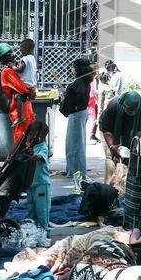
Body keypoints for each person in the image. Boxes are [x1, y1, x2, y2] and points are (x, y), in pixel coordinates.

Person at [60, 56, 93, 184]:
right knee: (75, 144)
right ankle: (73, 171)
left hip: (77, 114)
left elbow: (77, 99)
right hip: (79, 114)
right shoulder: (83, 81)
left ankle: (78, 173)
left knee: (76, 146)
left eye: (74, 67)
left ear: (78, 68)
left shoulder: (79, 82)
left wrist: (69, 105)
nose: (73, 69)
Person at [0, 43, 35, 145]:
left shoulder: (12, 69)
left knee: (30, 137)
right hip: (19, 111)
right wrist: (31, 90)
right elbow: (22, 88)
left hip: (26, 109)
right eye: (10, 53)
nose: (13, 54)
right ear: (4, 57)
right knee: (21, 138)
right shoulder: (7, 71)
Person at [100, 90, 141, 156]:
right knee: (111, 156)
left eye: (134, 110)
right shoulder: (113, 105)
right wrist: (112, 146)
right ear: (124, 104)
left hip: (128, 130)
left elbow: (139, 131)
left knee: (129, 155)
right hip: (109, 130)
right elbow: (106, 131)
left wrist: (133, 148)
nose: (133, 112)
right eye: (130, 110)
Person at [25, 121, 52, 235]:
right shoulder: (29, 147)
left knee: (42, 210)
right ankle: (34, 231)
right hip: (30, 185)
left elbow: (40, 157)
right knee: (31, 209)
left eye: (32, 134)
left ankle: (45, 232)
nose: (29, 137)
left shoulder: (43, 148)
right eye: (29, 134)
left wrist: (34, 155)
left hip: (41, 184)